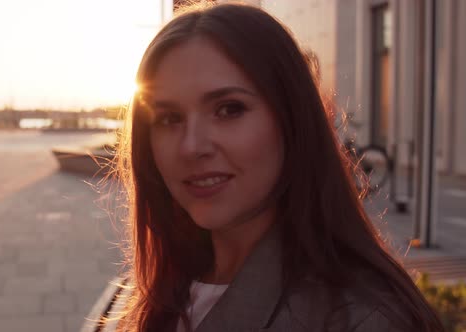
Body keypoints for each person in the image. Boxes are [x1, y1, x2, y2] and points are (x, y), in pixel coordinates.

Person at [101, 2, 443, 331]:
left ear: (291, 119)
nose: (191, 147)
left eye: (229, 109)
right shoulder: (160, 290)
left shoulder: (364, 319)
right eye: (169, 118)